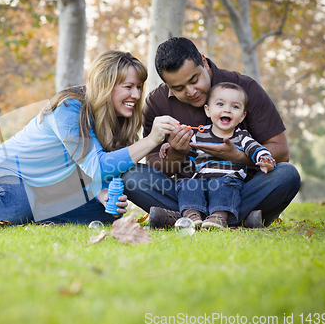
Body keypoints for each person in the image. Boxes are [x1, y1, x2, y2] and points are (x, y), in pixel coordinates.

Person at [0, 50, 180, 226]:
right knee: (19, 206)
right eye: (128, 86)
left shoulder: (116, 119)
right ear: (105, 85)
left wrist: (101, 192)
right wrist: (152, 139)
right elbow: (98, 166)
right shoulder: (70, 107)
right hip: (1, 176)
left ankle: (191, 215)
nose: (136, 95)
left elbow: (94, 169)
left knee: (106, 212)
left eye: (139, 87)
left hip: (48, 189)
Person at [122, 37, 301, 229]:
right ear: (166, 83)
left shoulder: (245, 89)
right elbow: (157, 168)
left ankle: (182, 219)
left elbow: (281, 151)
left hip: (240, 190)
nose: (191, 92)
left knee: (286, 175)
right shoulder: (157, 103)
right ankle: (234, 220)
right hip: (189, 190)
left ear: (204, 62)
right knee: (131, 176)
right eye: (178, 88)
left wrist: (238, 156)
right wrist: (176, 153)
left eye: (194, 80)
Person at [160, 82, 276, 230]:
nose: (227, 110)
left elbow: (257, 149)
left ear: (242, 116)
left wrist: (265, 159)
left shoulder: (242, 136)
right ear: (208, 111)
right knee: (187, 183)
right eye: (220, 104)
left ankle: (218, 217)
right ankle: (192, 216)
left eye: (235, 107)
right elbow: (185, 149)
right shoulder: (199, 135)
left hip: (227, 181)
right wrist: (169, 146)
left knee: (224, 184)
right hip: (201, 183)